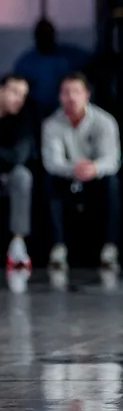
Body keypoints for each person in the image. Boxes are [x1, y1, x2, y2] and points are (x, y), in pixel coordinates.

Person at [42, 73, 123, 269]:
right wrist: (74, 169)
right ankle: (58, 248)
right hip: (66, 176)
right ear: (60, 96)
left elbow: (112, 159)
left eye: (76, 91)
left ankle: (109, 248)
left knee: (112, 183)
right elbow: (52, 162)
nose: (71, 97)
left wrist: (94, 168)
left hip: (95, 177)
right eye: (66, 92)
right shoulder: (51, 124)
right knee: (50, 181)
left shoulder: (105, 121)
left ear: (86, 94)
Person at [0, 75, 34, 270]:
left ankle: (18, 244)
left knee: (22, 175)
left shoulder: (23, 118)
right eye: (14, 92)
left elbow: (17, 157)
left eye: (23, 95)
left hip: (6, 176)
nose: (19, 99)